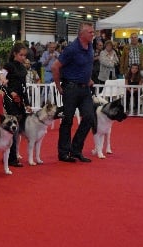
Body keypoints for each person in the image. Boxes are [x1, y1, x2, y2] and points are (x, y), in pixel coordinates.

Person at [51, 22, 95, 163]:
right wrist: (58, 86)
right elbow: (55, 67)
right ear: (81, 34)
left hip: (85, 88)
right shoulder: (72, 49)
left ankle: (76, 149)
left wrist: (88, 79)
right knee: (68, 120)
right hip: (71, 88)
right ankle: (63, 152)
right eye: (90, 32)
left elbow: (86, 65)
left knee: (89, 117)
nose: (93, 34)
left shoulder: (90, 46)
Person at [2, 42, 32, 167]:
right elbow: (1, 84)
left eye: (25, 55)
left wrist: (27, 103)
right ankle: (12, 158)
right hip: (10, 100)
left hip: (20, 101)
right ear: (15, 54)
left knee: (17, 130)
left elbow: (24, 87)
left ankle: (10, 155)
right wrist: (11, 92)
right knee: (13, 130)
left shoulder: (22, 68)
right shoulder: (8, 66)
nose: (23, 57)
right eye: (21, 55)